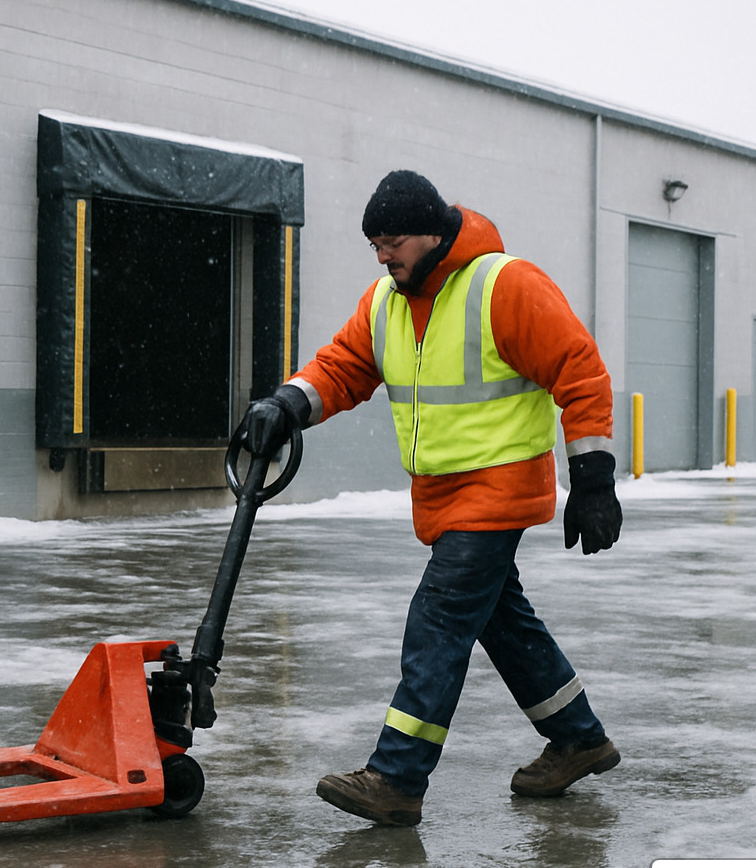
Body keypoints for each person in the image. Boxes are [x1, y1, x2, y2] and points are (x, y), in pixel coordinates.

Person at [245, 170, 623, 827]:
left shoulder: (504, 285)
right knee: (504, 625)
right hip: (443, 498)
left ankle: (396, 777)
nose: (385, 256)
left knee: (438, 622)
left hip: (497, 490)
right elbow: (342, 367)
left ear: (432, 233)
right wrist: (285, 406)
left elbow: (579, 368)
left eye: (393, 242)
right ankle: (579, 739)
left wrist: (592, 478)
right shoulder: (385, 302)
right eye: (375, 247)